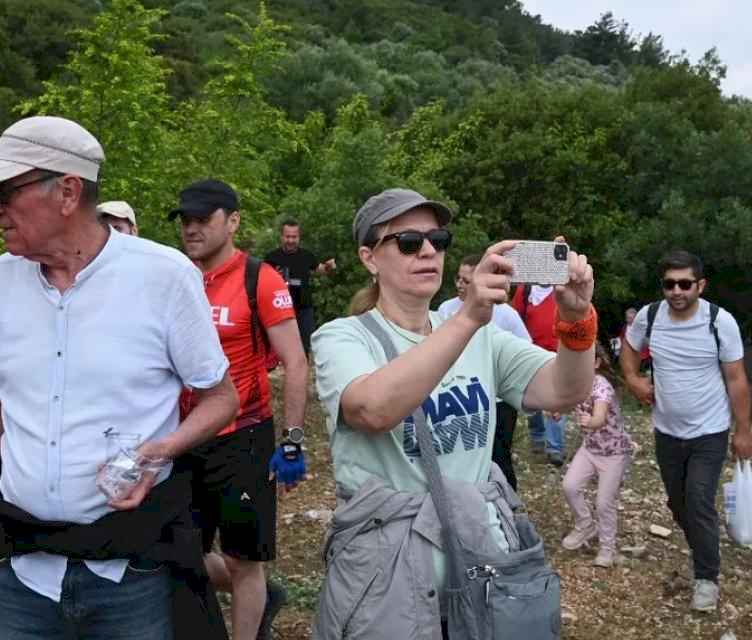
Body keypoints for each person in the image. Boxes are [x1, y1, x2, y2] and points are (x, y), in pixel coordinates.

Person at [0, 116, 239, 640]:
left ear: (67, 191)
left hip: (132, 572)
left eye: (4, 193)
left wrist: (163, 450)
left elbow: (222, 399)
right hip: (24, 573)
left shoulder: (164, 276)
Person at [311, 188, 596, 638]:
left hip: (482, 565)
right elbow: (371, 408)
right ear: (369, 258)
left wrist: (578, 320)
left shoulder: (480, 337)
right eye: (407, 242)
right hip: (388, 577)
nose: (427, 251)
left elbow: (566, 389)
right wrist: (469, 318)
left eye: (438, 240)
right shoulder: (343, 337)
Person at [171, 179, 309, 640]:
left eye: (202, 219)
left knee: (243, 558)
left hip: (243, 435)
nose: (191, 229)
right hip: (183, 435)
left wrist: (292, 439)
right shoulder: (173, 277)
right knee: (178, 552)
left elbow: (294, 360)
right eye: (185, 220)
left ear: (232, 222)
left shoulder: (259, 278)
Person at [620, 250, 752, 613]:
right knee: (679, 504)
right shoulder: (649, 317)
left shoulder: (719, 321)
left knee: (697, 500)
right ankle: (704, 538)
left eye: (685, 284)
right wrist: (633, 380)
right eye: (669, 284)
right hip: (666, 431)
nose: (677, 291)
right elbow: (630, 351)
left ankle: (707, 579)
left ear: (700, 285)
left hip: (710, 432)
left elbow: (737, 379)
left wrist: (743, 432)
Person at [437, 253, 531, 490]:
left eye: (466, 281)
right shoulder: (445, 309)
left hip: (499, 399)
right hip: (462, 396)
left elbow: (526, 348)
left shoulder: (505, 313)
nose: (459, 284)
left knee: (499, 454)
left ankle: (509, 503)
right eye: (457, 278)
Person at [561, 344, 634, 568]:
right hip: (590, 448)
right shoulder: (575, 384)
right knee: (570, 486)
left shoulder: (602, 387)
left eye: (586, 362)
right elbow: (566, 401)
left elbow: (599, 416)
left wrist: (591, 422)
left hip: (614, 453)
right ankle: (585, 524)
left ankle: (607, 548)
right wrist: (556, 410)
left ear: (596, 363)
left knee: (604, 503)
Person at [511, 280, 567, 466]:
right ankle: (537, 436)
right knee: (532, 398)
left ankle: (555, 448)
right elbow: (514, 318)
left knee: (557, 399)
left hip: (559, 354)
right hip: (531, 353)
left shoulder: (562, 289)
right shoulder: (525, 291)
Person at [264, 219, 335, 354]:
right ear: (281, 236)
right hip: (280, 309)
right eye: (287, 236)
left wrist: (329, 267)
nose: (290, 240)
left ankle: (303, 372)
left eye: (294, 237)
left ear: (299, 237)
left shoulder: (307, 256)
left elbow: (320, 270)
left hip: (304, 309)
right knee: (281, 349)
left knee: (305, 348)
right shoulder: (271, 257)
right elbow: (263, 280)